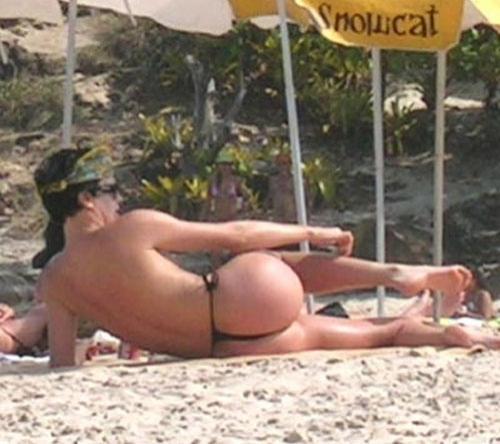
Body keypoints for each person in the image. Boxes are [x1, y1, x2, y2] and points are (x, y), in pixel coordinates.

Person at [34, 147, 500, 368]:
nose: (120, 199)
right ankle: (392, 275)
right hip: (240, 299)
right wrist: (313, 232)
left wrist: (95, 350)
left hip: (228, 347)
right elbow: (235, 234)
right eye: (111, 191)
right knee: (262, 261)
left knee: (382, 335)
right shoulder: (133, 230)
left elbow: (61, 364)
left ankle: (456, 334)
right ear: (87, 200)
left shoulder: (53, 281)